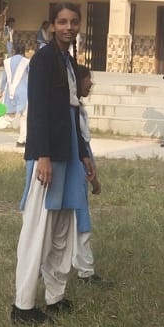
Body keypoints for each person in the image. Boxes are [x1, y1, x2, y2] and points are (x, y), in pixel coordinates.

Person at [12, 2, 94, 325]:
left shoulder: (69, 62)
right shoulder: (44, 60)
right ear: (52, 25)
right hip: (49, 155)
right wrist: (42, 155)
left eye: (73, 22)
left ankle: (55, 296)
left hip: (69, 154)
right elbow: (39, 111)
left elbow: (72, 114)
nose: (68, 27)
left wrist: (84, 154)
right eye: (62, 22)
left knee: (62, 228)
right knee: (38, 229)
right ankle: (23, 306)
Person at [71, 64, 105, 284]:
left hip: (80, 173)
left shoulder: (78, 109)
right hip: (73, 174)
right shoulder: (70, 111)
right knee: (78, 223)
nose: (91, 82)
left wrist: (94, 177)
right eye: (87, 78)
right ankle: (85, 270)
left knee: (76, 223)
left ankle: (83, 267)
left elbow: (85, 147)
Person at [0, 42, 31, 147]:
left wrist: (1, 91)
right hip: (23, 93)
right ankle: (21, 140)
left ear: (14, 50)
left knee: (7, 116)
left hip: (10, 93)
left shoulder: (7, 62)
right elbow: (32, 77)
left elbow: (4, 79)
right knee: (24, 117)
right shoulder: (26, 62)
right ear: (23, 51)